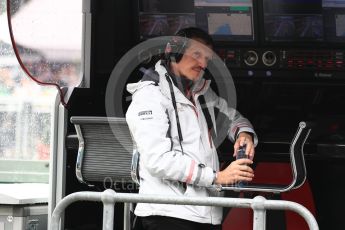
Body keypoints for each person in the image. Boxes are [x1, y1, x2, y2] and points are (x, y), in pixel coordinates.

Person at [126, 27, 258, 230]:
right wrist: (216, 178)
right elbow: (157, 160)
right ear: (173, 51)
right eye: (197, 54)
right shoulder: (149, 96)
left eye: (207, 58)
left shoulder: (202, 92)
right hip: (167, 214)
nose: (203, 64)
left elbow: (234, 118)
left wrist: (244, 134)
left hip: (207, 213)